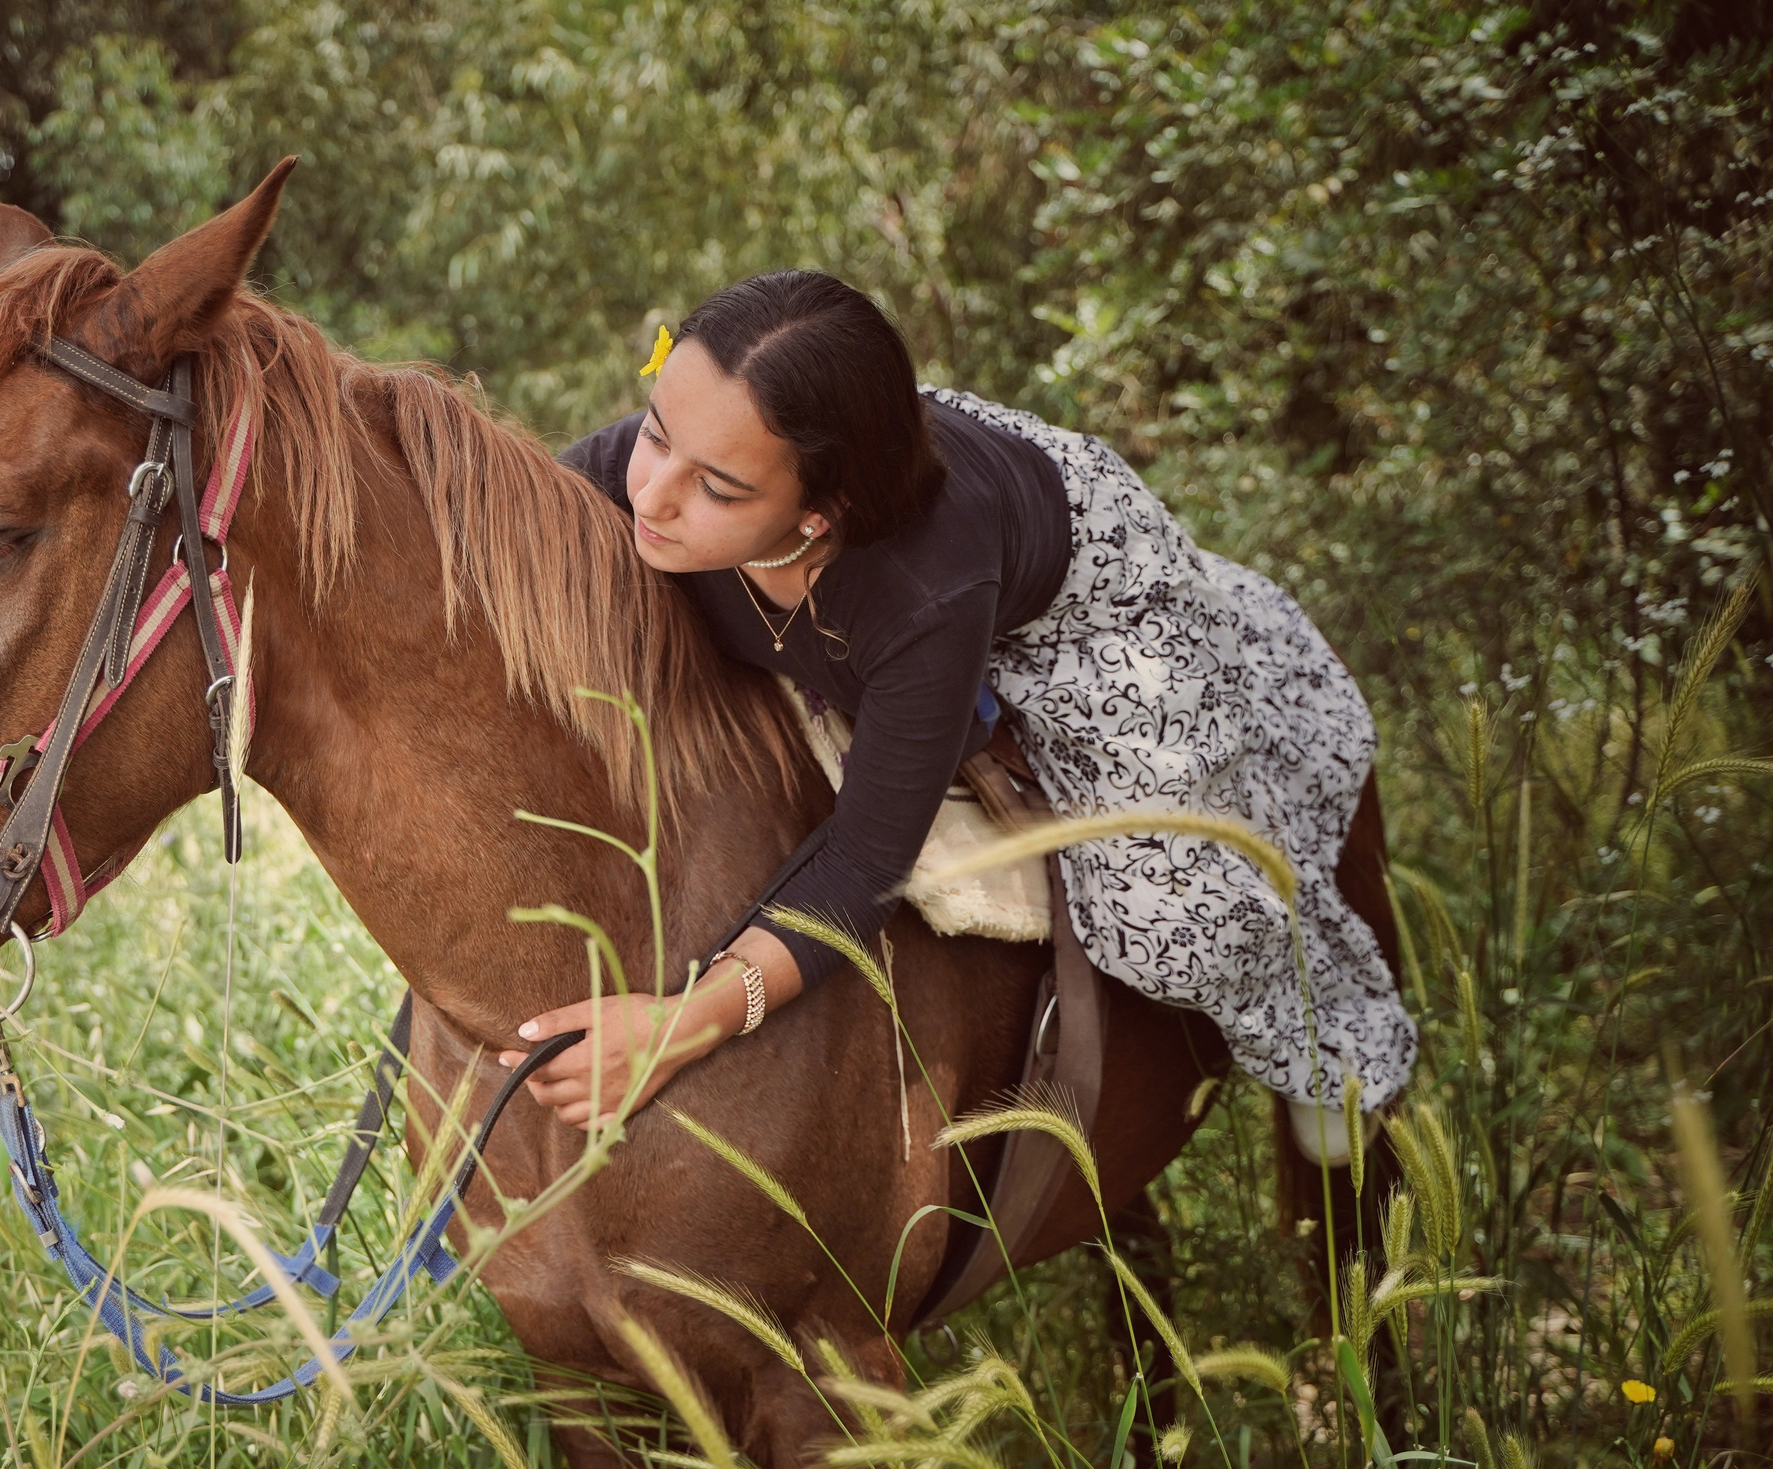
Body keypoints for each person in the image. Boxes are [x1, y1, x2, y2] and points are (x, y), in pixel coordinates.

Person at [496, 271, 1414, 1162]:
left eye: (719, 491)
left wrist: (682, 1023)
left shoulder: (917, 590)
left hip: (1082, 617)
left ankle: (1330, 1046)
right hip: (907, 534)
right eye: (657, 436)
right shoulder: (665, 464)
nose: (650, 497)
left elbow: (866, 858)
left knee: (1170, 919)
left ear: (821, 514)